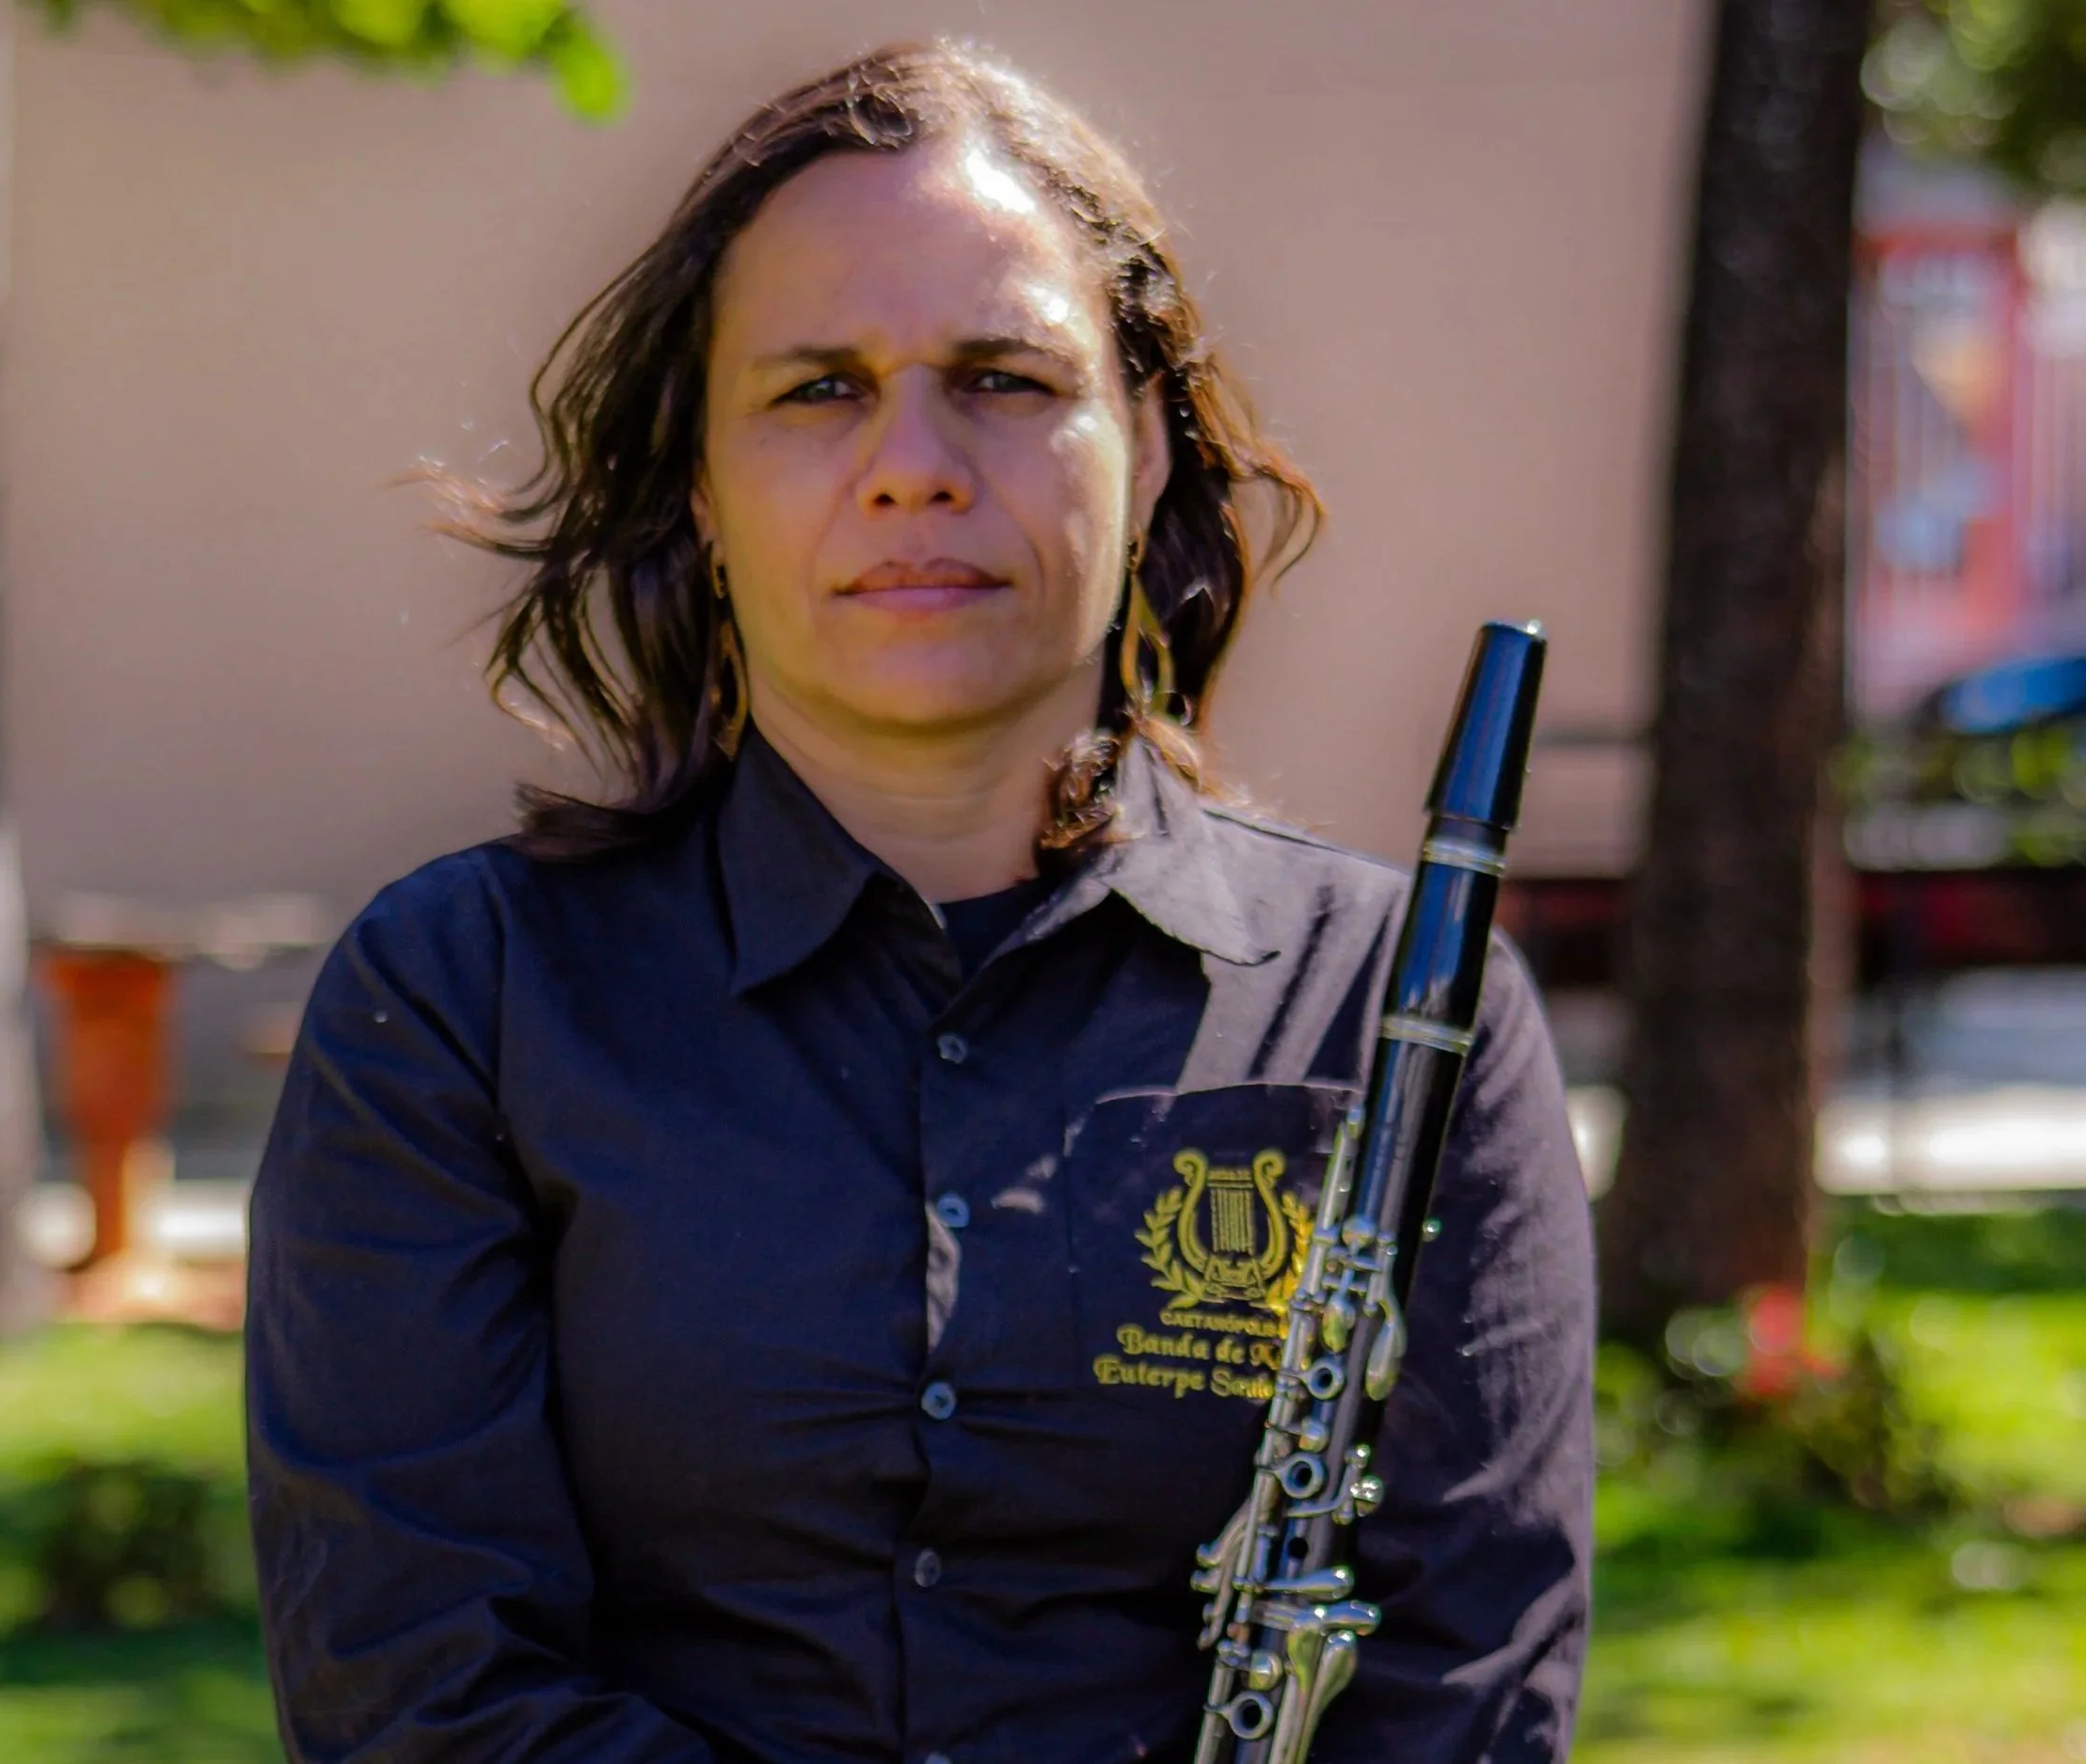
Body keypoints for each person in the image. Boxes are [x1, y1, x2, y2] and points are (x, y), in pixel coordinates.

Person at [246, 40, 1594, 1764]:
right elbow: (417, 1696)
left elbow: (1463, 1695)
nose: (914, 466)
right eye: (817, 388)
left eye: (1005, 378)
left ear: (1154, 443)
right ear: (697, 485)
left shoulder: (1400, 1003)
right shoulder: (458, 1001)